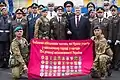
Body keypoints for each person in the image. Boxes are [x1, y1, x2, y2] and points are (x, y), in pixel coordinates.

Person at [108, 5, 120, 70]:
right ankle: (112, 64)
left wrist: (118, 39)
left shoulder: (119, 18)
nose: (113, 12)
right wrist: (109, 38)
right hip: (110, 38)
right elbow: (109, 29)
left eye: (114, 10)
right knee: (111, 52)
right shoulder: (109, 18)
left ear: (117, 11)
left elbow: (119, 30)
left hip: (117, 39)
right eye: (112, 10)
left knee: (117, 53)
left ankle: (116, 65)